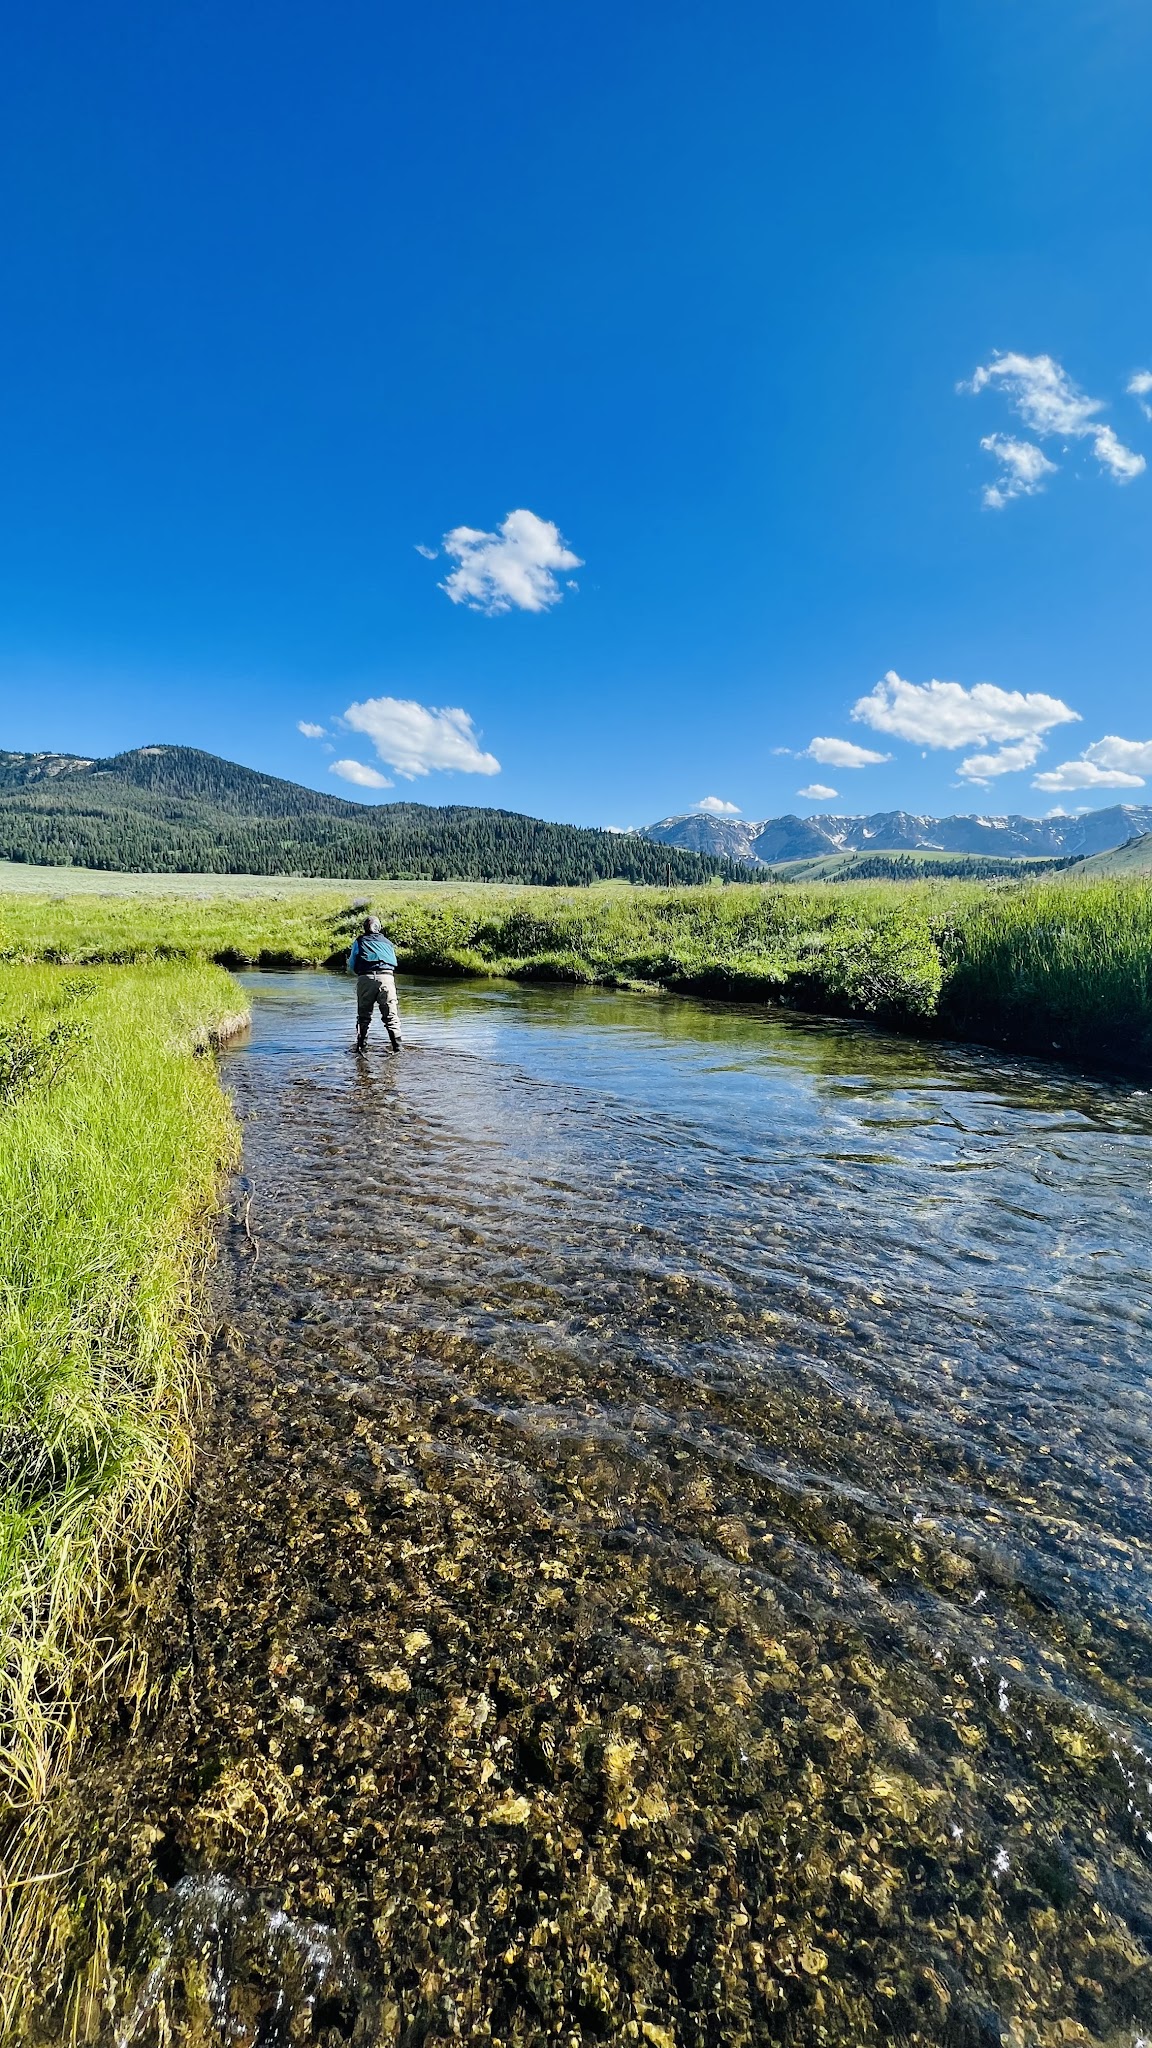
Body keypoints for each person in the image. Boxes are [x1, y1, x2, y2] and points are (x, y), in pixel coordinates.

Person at [348, 916, 403, 1052]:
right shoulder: (388, 943)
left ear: (365, 928)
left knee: (364, 1016)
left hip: (365, 978)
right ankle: (398, 1048)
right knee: (391, 1016)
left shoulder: (359, 941)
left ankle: (361, 1047)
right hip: (387, 978)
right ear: (379, 927)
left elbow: (352, 964)